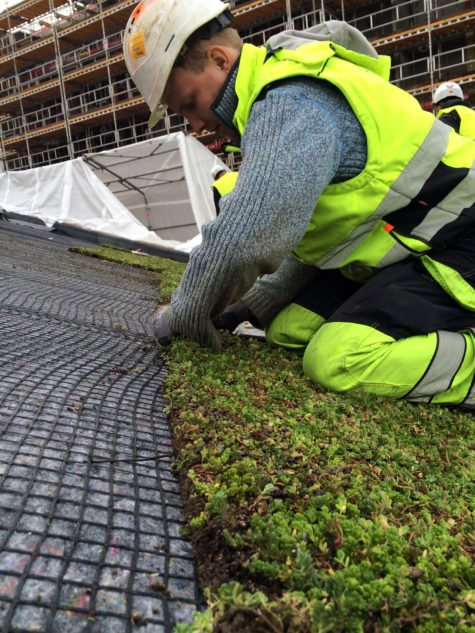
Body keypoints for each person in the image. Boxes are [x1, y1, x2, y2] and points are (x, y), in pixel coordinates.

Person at [124, 0, 475, 407]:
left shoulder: (292, 102)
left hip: (462, 243)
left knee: (337, 358)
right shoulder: (287, 84)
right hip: (426, 241)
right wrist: (251, 305)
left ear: (219, 60)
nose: (195, 125)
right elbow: (321, 239)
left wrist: (186, 314)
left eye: (187, 104)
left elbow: (245, 238)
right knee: (288, 328)